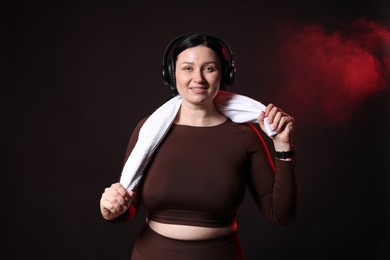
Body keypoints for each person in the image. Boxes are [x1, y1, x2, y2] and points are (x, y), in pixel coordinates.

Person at [99, 32, 297, 260]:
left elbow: (282, 216)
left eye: (209, 68)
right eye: (188, 68)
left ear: (225, 74)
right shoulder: (148, 131)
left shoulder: (245, 136)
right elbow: (127, 208)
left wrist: (284, 148)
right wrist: (111, 209)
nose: (198, 79)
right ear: (171, 74)